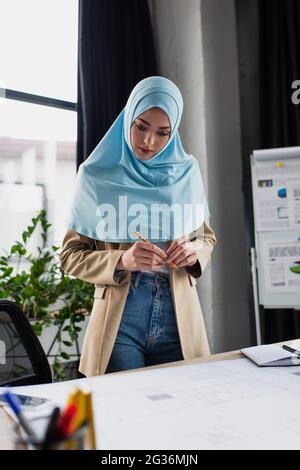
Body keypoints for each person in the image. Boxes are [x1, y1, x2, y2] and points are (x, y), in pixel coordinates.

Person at [59, 76, 217, 376]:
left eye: (162, 133)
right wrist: (122, 259)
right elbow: (69, 256)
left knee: (184, 413)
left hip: (179, 316)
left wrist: (193, 253)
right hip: (121, 319)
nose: (148, 142)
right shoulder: (95, 175)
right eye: (141, 126)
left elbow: (205, 238)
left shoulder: (187, 172)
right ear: (128, 117)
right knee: (127, 416)